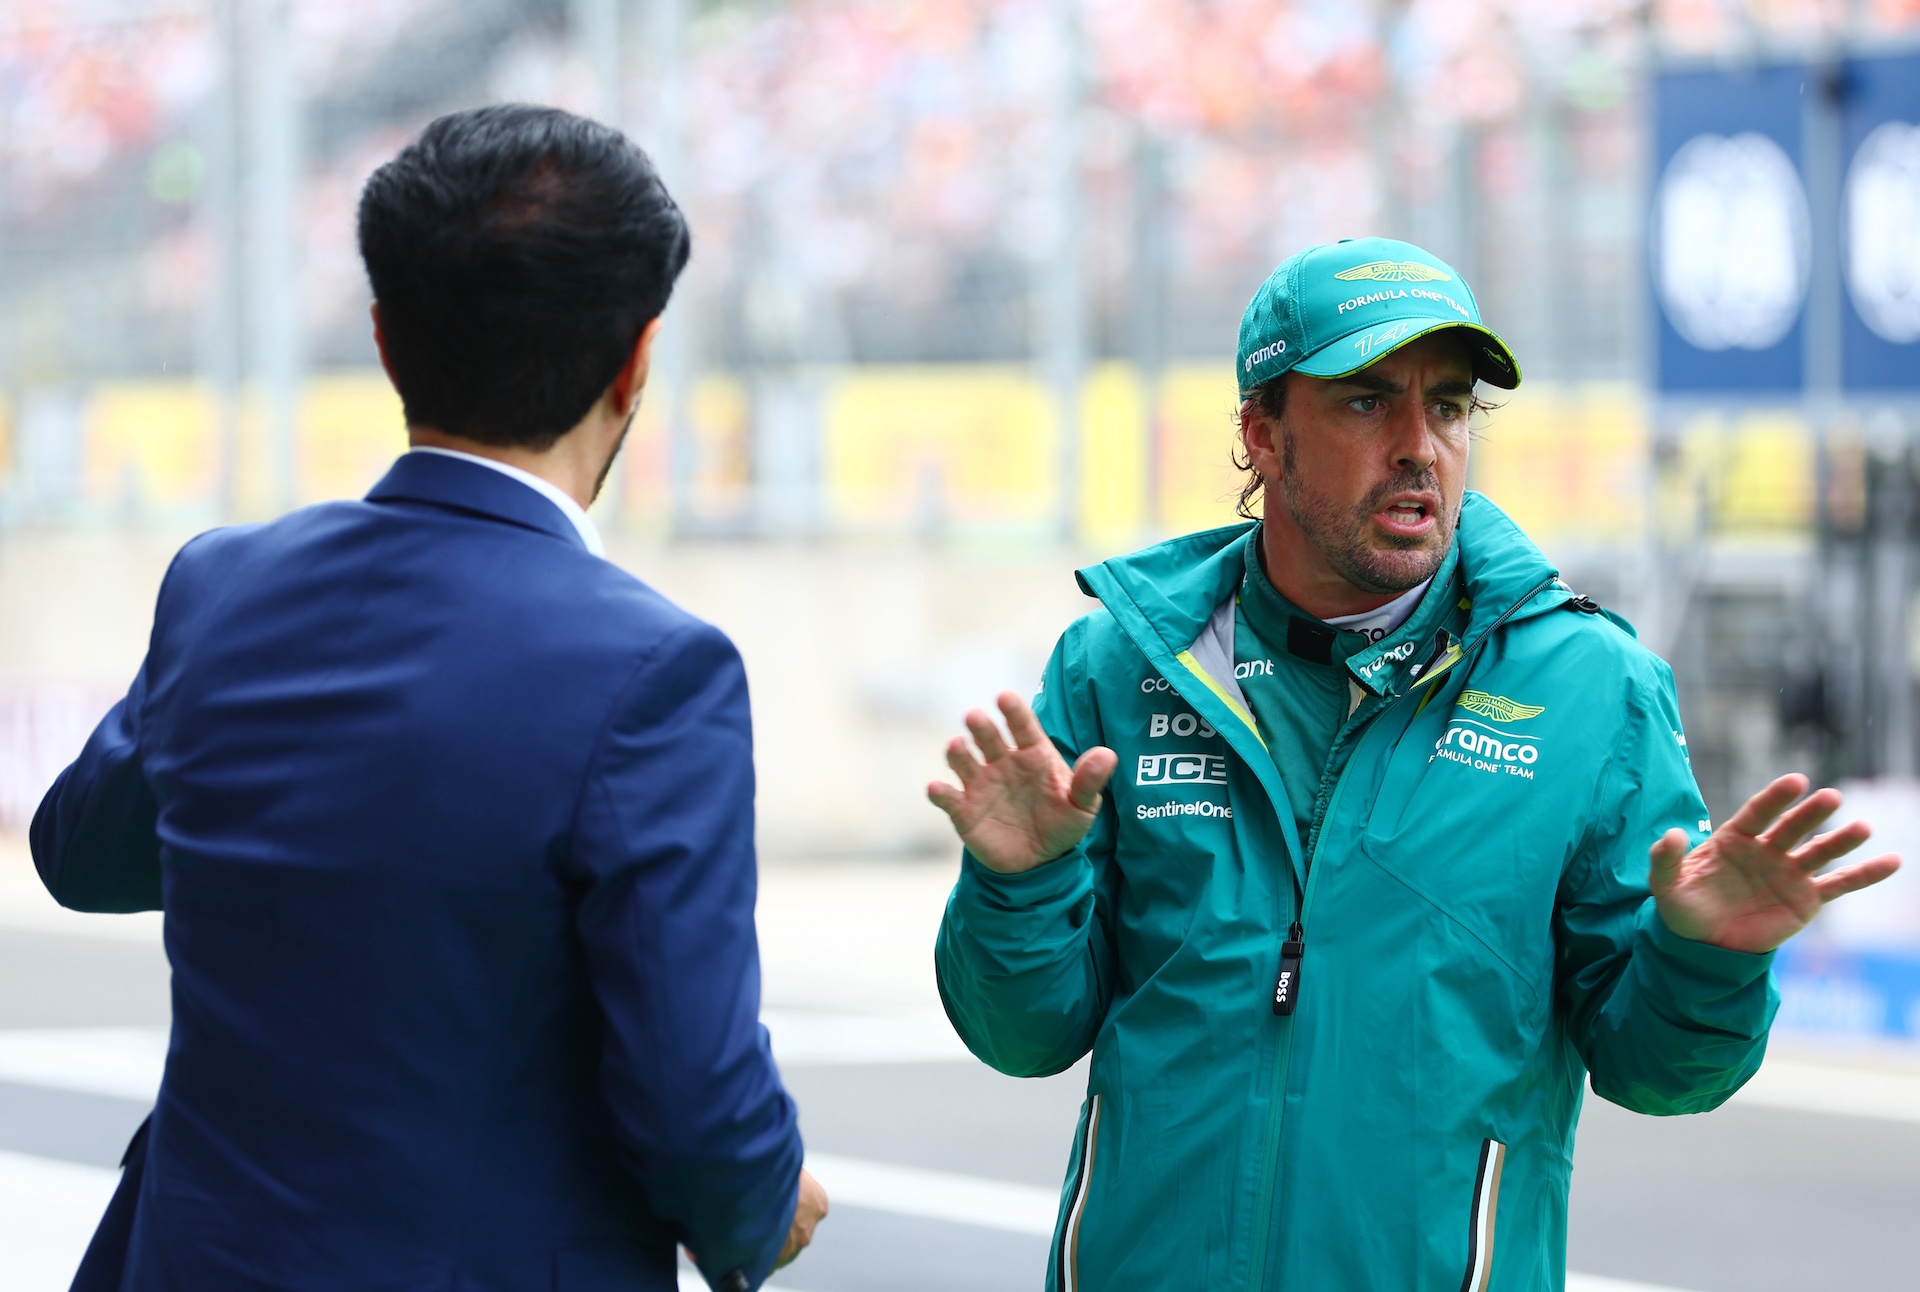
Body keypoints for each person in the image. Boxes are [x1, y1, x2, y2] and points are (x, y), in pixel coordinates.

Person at [929, 236, 1899, 1291]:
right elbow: (1022, 1036)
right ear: (1264, 433)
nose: (1419, 444)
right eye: (1364, 402)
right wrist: (1018, 887)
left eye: (1447, 405)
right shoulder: (1118, 665)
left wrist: (1707, 958)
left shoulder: (1591, 687)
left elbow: (1661, 1072)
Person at [32, 105, 824, 1292]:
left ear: (385, 341)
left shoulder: (222, 586)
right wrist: (761, 1204)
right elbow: (691, 1092)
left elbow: (80, 853)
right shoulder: (655, 671)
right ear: (637, 360)